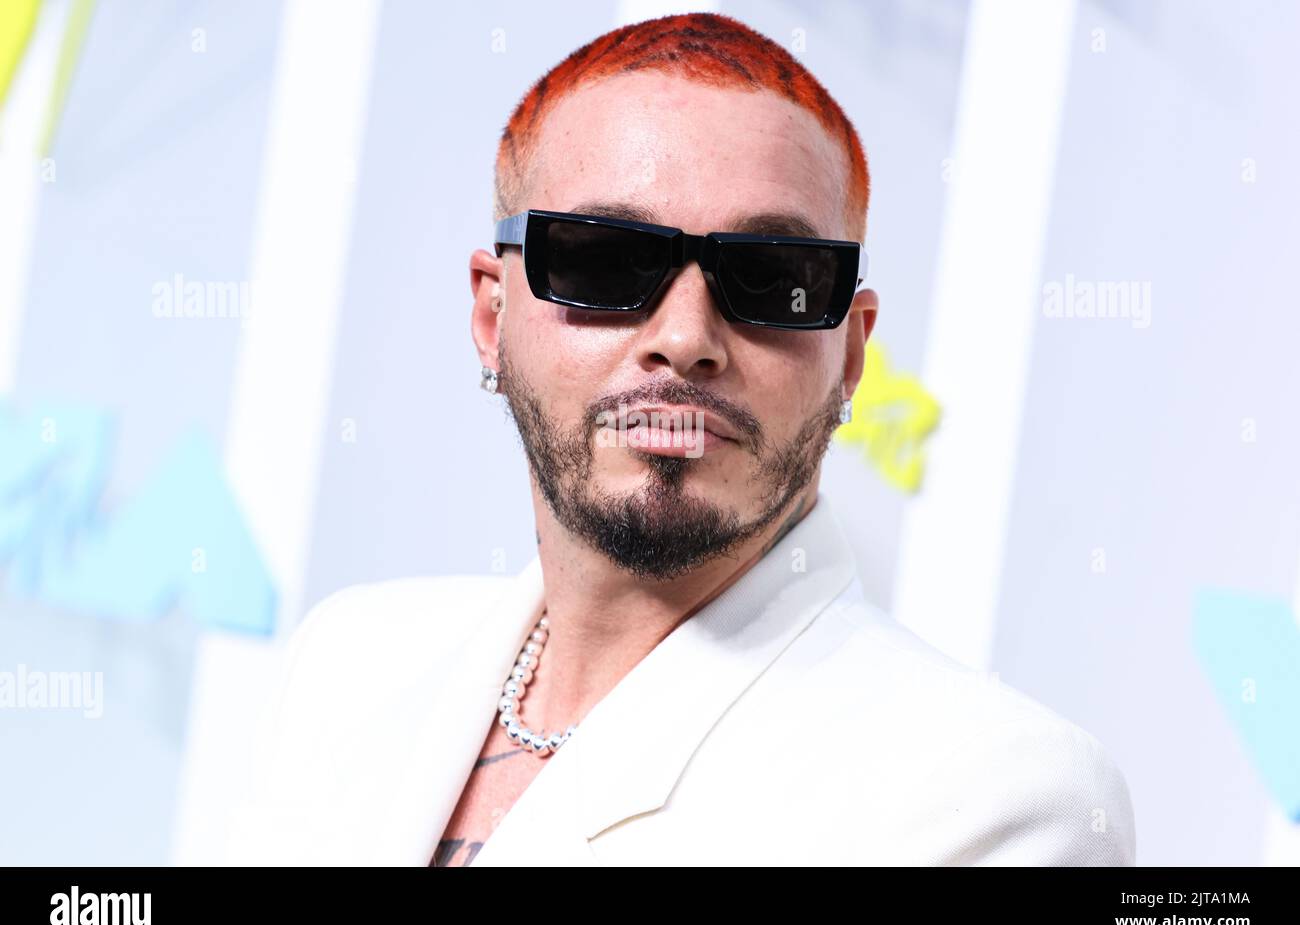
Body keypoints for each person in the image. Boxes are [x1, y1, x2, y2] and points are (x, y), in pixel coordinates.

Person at [226, 12, 1135, 866]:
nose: (686, 336)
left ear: (852, 354)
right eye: (605, 259)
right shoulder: (348, 664)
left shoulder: (996, 795)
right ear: (491, 313)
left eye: (772, 278)